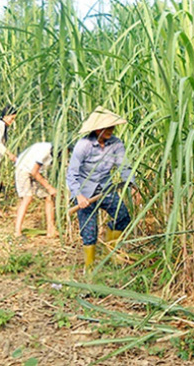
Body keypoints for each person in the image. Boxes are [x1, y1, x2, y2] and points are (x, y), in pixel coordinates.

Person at [66, 107, 138, 273]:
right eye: (107, 128)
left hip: (106, 188)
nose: (110, 131)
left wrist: (131, 185)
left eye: (112, 127)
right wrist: (78, 195)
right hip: (85, 191)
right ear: (97, 129)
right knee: (89, 232)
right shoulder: (83, 145)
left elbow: (124, 166)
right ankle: (89, 268)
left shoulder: (116, 144)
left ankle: (111, 252)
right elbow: (72, 174)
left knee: (123, 217)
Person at [13, 142, 58, 238]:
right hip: (23, 168)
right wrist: (49, 187)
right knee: (27, 198)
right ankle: (17, 231)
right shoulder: (45, 151)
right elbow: (34, 171)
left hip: (36, 171)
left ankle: (51, 230)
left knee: (48, 197)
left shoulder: (55, 153)